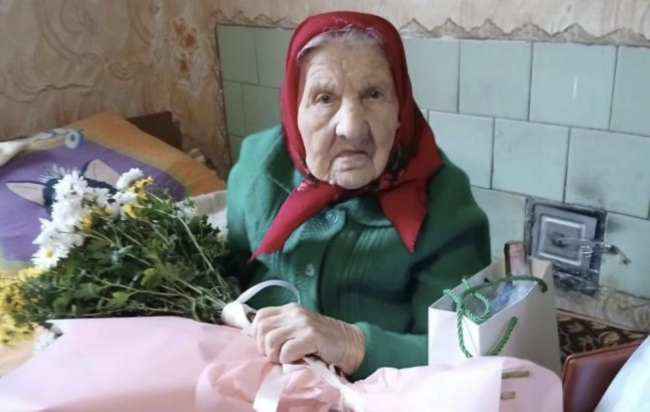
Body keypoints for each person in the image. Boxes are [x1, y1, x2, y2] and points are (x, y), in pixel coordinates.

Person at [226, 11, 491, 381]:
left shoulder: (446, 200)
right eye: (324, 98)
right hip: (251, 375)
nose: (351, 128)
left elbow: (462, 347)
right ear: (293, 109)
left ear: (401, 108)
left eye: (374, 94)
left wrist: (353, 344)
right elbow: (229, 276)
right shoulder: (257, 167)